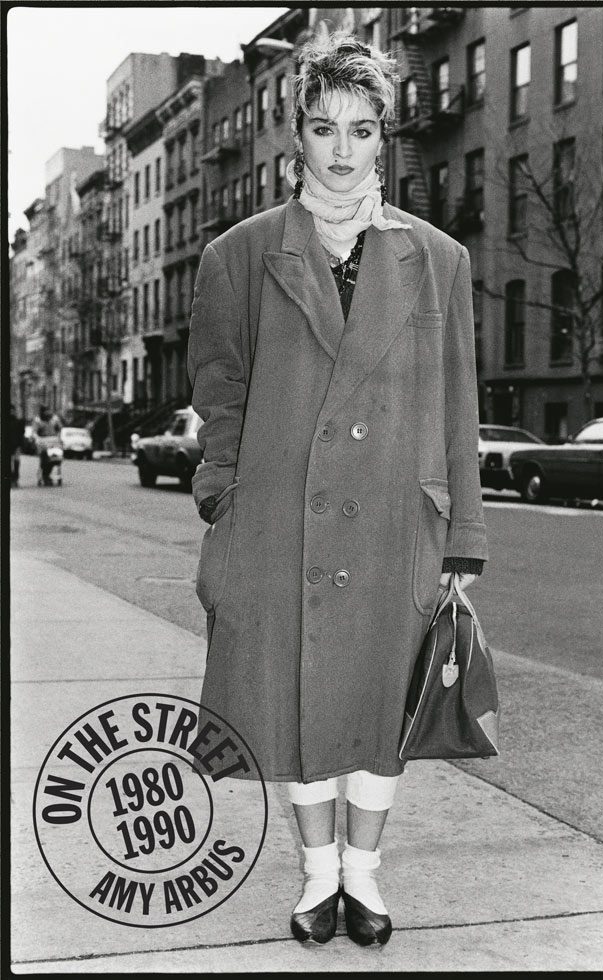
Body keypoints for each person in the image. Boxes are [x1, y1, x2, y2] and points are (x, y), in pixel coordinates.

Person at [188, 33, 488, 947]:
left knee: (375, 709)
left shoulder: (439, 260)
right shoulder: (237, 255)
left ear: (384, 137)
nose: (344, 149)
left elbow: (458, 405)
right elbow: (220, 390)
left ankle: (367, 876)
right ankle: (319, 880)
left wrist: (462, 541)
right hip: (278, 518)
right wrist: (223, 498)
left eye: (363, 129)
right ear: (299, 139)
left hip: (399, 520)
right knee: (296, 699)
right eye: (325, 128)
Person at [32, 405, 62, 485]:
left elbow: (59, 429)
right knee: (45, 458)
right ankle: (44, 475)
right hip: (43, 441)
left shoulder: (55, 419)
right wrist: (37, 438)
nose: (48, 413)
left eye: (48, 410)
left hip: (54, 440)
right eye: (46, 411)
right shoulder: (38, 420)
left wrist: (58, 436)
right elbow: (34, 432)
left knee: (56, 458)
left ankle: (55, 475)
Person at [9, 404, 25, 487]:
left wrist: (21, 445)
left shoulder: (19, 421)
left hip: (16, 444)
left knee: (16, 461)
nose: (11, 412)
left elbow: (21, 433)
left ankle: (15, 478)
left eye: (12, 410)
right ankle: (11, 478)